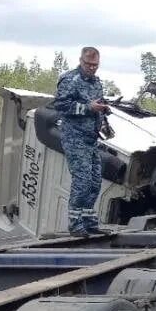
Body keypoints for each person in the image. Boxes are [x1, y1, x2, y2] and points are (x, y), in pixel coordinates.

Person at [53, 46, 110, 236]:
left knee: (95, 182)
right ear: (80, 60)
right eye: (88, 64)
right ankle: (75, 223)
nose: (92, 68)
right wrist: (88, 108)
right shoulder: (70, 79)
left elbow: (96, 103)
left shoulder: (96, 82)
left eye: (95, 65)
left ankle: (89, 221)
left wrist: (102, 110)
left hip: (92, 138)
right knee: (82, 181)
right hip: (75, 138)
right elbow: (61, 105)